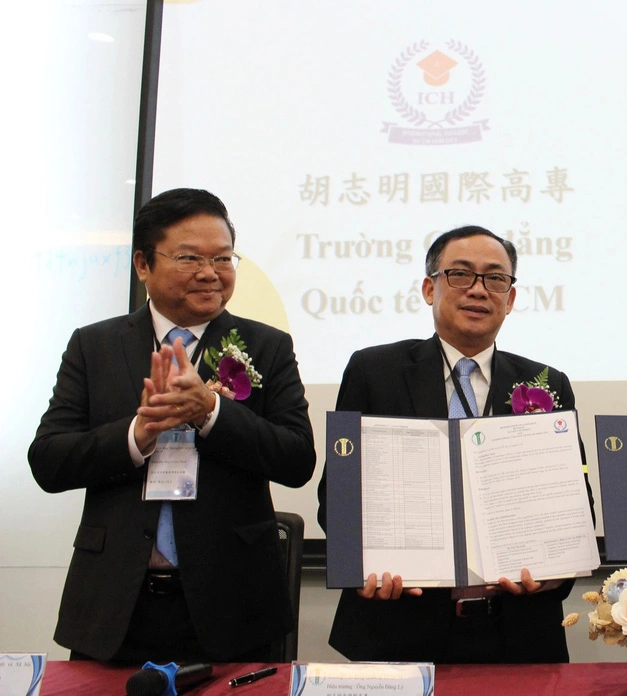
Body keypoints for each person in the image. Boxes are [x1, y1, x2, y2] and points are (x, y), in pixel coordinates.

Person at [28, 188, 316, 663]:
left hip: (233, 603)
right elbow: (49, 461)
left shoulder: (268, 346)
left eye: (223, 258)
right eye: (189, 257)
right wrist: (137, 434)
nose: (210, 273)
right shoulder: (94, 345)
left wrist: (211, 413)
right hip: (116, 602)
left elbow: (297, 459)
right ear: (143, 264)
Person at [317, 224, 592, 663]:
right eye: (460, 274)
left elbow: (574, 504)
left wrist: (553, 572)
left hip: (517, 631)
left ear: (511, 298)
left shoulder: (546, 383)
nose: (478, 290)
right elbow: (338, 494)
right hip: (399, 625)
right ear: (429, 288)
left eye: (495, 278)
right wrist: (360, 563)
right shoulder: (375, 370)